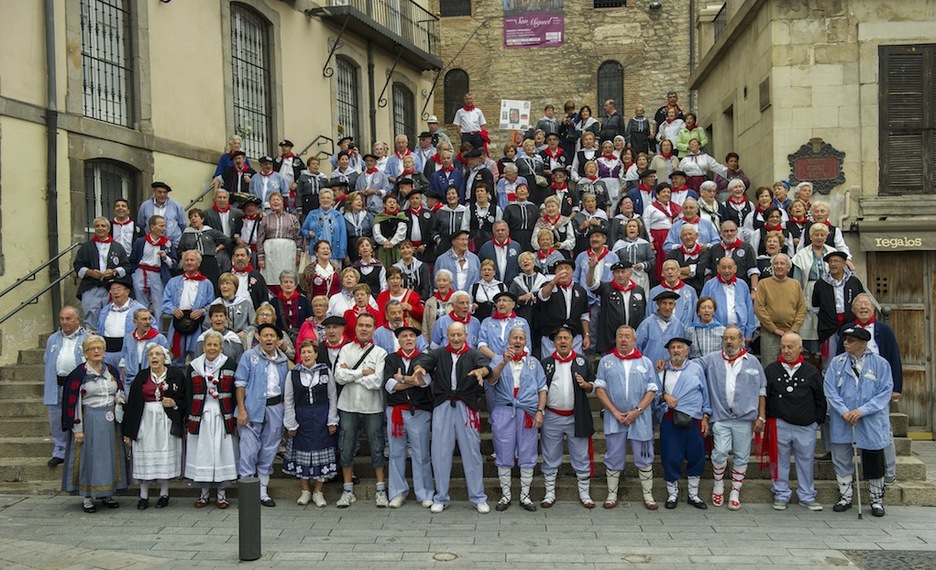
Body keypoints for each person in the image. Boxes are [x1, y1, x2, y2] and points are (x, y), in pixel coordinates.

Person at [412, 322, 492, 513]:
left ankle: (478, 496)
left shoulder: (472, 354)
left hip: (467, 407)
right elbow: (423, 360)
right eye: (452, 335)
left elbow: (485, 367)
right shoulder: (439, 353)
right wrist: (419, 368)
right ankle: (441, 496)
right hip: (443, 405)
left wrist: (481, 372)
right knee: (440, 452)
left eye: (459, 335)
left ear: (465, 335)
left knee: (472, 452)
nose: (456, 339)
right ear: (447, 336)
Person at [824, 326, 893, 517]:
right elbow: (830, 390)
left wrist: (862, 411)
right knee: (841, 457)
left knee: (873, 457)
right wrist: (844, 411)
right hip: (843, 419)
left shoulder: (880, 364)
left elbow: (885, 392)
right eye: (845, 339)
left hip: (869, 420)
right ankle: (845, 496)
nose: (845, 343)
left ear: (862, 343)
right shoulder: (837, 363)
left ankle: (876, 499)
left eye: (850, 340)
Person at [700, 325, 767, 510]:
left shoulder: (752, 361)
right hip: (720, 415)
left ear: (741, 340)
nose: (729, 341)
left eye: (733, 338)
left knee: (742, 455)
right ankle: (718, 485)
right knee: (720, 451)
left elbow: (762, 389)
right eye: (726, 338)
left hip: (745, 417)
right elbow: (692, 365)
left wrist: (761, 417)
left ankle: (736, 490)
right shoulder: (712, 359)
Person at [60, 335, 128, 512]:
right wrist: (78, 429)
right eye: (92, 349)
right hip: (89, 419)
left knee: (109, 457)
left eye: (100, 348)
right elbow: (73, 403)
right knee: (90, 457)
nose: (97, 351)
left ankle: (107, 494)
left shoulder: (111, 370)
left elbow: (119, 389)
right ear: (85, 353)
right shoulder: (79, 375)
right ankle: (88, 497)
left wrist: (119, 398)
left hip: (110, 421)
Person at [594, 325, 659, 510]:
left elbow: (652, 390)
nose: (623, 339)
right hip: (615, 418)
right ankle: (611, 494)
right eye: (620, 336)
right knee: (613, 455)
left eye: (627, 336)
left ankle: (648, 496)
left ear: (634, 340)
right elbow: (600, 389)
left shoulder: (645, 362)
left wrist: (637, 410)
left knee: (644, 456)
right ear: (615, 339)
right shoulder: (606, 361)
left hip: (640, 418)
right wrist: (614, 411)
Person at [840, 294, 903, 484]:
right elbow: (839, 358)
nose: (863, 307)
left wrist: (896, 388)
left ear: (873, 308)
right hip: (853, 384)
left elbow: (894, 358)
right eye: (859, 305)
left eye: (867, 304)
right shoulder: (846, 330)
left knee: (883, 431)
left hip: (878, 385)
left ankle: (889, 472)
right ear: (853, 310)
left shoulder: (884, 330)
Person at [485, 327, 547, 512]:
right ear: (508, 340)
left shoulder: (534, 363)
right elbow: (491, 381)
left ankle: (525, 496)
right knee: (503, 451)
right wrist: (503, 362)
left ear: (525, 342)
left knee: (527, 451)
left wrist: (540, 411)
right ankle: (505, 495)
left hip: (527, 412)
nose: (518, 341)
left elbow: (542, 388)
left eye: (521, 338)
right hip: (504, 411)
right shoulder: (497, 360)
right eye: (515, 338)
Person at [764, 332, 826, 511]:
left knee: (806, 461)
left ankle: (807, 495)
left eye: (790, 347)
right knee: (779, 461)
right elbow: (765, 396)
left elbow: (820, 399)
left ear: (800, 347)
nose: (786, 350)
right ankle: (781, 494)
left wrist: (816, 422)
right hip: (780, 424)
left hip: (806, 426)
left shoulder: (812, 371)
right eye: (783, 346)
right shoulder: (771, 370)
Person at [539, 325, 596, 508]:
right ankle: (549, 493)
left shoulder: (583, 362)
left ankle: (584, 493)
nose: (563, 341)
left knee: (580, 454)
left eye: (566, 338)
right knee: (550, 454)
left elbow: (593, 385)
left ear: (573, 342)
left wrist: (586, 385)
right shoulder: (545, 363)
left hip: (576, 416)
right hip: (552, 416)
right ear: (554, 343)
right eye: (559, 338)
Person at [122, 344, 185, 510]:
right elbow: (133, 404)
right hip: (145, 419)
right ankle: (143, 495)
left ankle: (164, 494)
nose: (154, 357)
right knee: (145, 454)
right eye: (151, 354)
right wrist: (129, 431)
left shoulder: (176, 375)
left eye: (158, 354)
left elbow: (185, 398)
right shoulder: (141, 376)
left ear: (165, 358)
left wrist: (175, 403)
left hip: (167, 419)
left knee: (165, 455)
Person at [236, 322, 290, 507]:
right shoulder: (249, 356)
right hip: (252, 409)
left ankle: (263, 492)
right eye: (265, 335)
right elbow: (240, 384)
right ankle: (246, 491)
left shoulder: (283, 361)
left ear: (277, 339)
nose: (268, 339)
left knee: (269, 449)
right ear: (258, 337)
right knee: (249, 450)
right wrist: (242, 409)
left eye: (272, 336)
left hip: (275, 408)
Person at [184, 330, 239, 508]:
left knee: (221, 452)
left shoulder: (230, 364)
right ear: (203, 346)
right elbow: (189, 394)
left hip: (222, 414)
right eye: (209, 344)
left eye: (216, 345)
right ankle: (204, 494)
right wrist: (188, 419)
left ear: (221, 347)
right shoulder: (194, 366)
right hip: (200, 415)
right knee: (203, 453)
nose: (212, 348)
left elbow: (233, 392)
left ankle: (222, 495)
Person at [383, 325, 434, 509]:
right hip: (396, 411)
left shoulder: (424, 358)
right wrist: (410, 380)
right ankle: (397, 492)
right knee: (396, 452)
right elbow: (389, 385)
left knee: (421, 453)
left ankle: (425, 493)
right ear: (399, 339)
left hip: (419, 411)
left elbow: (423, 382)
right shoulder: (391, 359)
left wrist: (402, 379)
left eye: (412, 335)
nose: (408, 339)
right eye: (404, 336)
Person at [655, 337, 710, 509]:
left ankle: (693, 494)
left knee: (697, 455)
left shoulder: (696, 369)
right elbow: (654, 393)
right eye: (673, 348)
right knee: (670, 455)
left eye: (680, 347)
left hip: (694, 419)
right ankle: (672, 494)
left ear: (687, 351)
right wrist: (665, 396)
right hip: (671, 419)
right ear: (668, 351)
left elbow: (705, 393)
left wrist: (706, 416)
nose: (676, 350)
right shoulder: (661, 370)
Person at [282, 340, 338, 507]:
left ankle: (318, 492)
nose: (306, 355)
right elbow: (288, 399)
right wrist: (290, 423)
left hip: (321, 417)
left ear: (315, 354)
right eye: (304, 352)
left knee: (321, 453)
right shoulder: (293, 373)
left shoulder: (324, 371)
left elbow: (332, 396)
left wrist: (332, 419)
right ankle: (305, 491)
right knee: (302, 454)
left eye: (309, 352)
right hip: (302, 418)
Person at [43, 306, 90, 468]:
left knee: (80, 416)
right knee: (56, 419)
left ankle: (81, 450)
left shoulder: (87, 338)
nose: (65, 322)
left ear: (78, 319)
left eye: (69, 318)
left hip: (78, 385)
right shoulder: (53, 339)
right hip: (57, 384)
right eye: (62, 318)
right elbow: (47, 359)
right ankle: (60, 451)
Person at [74, 217, 131, 330]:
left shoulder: (118, 247)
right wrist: (89, 272)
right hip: (91, 287)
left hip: (111, 287)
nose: (100, 228)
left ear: (108, 229)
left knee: (110, 317)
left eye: (103, 226)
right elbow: (77, 265)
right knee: (91, 317)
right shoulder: (86, 247)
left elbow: (126, 266)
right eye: (97, 226)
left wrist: (114, 272)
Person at [162, 250, 215, 366]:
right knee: (176, 361)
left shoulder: (207, 283)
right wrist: (173, 310)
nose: (189, 262)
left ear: (199, 263)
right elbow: (165, 302)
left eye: (192, 260)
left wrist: (202, 311)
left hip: (197, 325)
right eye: (186, 260)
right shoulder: (173, 282)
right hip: (178, 324)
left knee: (198, 360)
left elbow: (212, 305)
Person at [813, 250, 864, 368]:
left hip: (849, 325)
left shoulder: (853, 282)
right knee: (830, 362)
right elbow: (815, 306)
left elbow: (860, 300)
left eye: (836, 261)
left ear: (844, 264)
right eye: (830, 261)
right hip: (828, 327)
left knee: (851, 358)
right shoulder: (821, 283)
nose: (833, 264)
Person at [755, 253, 807, 366]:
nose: (778, 266)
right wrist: (774, 329)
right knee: (769, 366)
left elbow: (802, 308)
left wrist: (793, 329)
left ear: (788, 267)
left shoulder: (795, 284)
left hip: (791, 333)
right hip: (770, 333)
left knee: (792, 364)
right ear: (772, 266)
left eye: (782, 263)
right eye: (776, 263)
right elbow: (759, 308)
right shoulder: (763, 284)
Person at [586, 260, 647, 354]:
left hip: (633, 342)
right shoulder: (606, 288)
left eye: (623, 272)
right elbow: (591, 284)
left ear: (630, 273)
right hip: (610, 343)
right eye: (617, 272)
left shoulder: (639, 290)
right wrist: (591, 268)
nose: (620, 275)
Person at [537, 259, 591, 357]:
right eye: (560, 269)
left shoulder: (581, 290)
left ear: (572, 271)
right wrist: (553, 281)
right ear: (556, 272)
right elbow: (542, 296)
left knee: (575, 365)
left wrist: (586, 335)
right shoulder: (548, 286)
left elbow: (584, 315)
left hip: (574, 335)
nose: (564, 271)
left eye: (567, 268)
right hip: (551, 334)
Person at [129, 215, 176, 326]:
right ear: (152, 227)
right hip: (141, 273)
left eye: (164, 226)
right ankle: (140, 328)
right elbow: (133, 259)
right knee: (141, 304)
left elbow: (174, 264)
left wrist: (165, 257)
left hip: (158, 274)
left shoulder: (166, 243)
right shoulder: (141, 242)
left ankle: (157, 331)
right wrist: (133, 274)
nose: (164, 228)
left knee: (158, 305)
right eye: (161, 225)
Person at [700, 257, 756, 343]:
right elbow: (701, 308)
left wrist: (749, 333)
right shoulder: (709, 285)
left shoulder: (742, 285)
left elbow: (749, 309)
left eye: (730, 267)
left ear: (735, 269)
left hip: (739, 331)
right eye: (723, 267)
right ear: (718, 269)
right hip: (715, 332)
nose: (727, 271)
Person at [97, 276, 145, 369]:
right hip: (107, 354)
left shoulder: (139, 309)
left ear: (127, 292)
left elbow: (151, 329)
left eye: (118, 289)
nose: (115, 292)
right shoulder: (105, 310)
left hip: (128, 354)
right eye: (112, 289)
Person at [256, 192, 302, 291]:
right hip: (271, 253)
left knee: (288, 274)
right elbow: (260, 238)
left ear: (282, 202)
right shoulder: (265, 219)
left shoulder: (292, 218)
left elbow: (298, 237)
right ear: (270, 203)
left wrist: (298, 254)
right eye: (273, 200)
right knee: (271, 276)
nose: (276, 202)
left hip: (288, 252)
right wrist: (261, 257)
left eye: (278, 199)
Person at [178, 208, 230, 292]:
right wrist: (188, 253)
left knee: (212, 283)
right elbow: (180, 249)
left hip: (209, 261)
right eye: (191, 217)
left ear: (202, 219)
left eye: (196, 216)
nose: (193, 219)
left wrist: (217, 248)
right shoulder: (186, 233)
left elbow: (227, 240)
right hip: (194, 263)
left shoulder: (210, 231)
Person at [636, 291, 688, 367]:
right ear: (658, 304)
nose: (667, 307)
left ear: (675, 305)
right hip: (650, 370)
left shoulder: (679, 325)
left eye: (670, 303)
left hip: (671, 371)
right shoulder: (647, 324)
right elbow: (637, 347)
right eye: (664, 303)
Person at [120, 308, 170, 387]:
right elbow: (123, 361)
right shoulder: (128, 338)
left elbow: (167, 361)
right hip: (131, 381)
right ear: (135, 322)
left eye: (149, 319)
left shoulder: (159, 338)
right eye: (144, 319)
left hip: (151, 381)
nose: (148, 322)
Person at [708, 220, 760, 291]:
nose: (729, 233)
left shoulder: (747, 248)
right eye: (726, 231)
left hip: (741, 289)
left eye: (732, 230)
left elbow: (753, 270)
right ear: (720, 233)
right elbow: (708, 272)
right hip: (718, 290)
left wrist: (754, 290)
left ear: (737, 231)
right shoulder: (714, 249)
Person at [647, 259, 698, 328]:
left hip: (685, 333)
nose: (670, 272)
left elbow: (696, 315)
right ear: (662, 273)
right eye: (667, 269)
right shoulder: (654, 292)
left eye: (673, 269)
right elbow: (649, 314)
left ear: (679, 272)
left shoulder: (690, 291)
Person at [301, 189, 347, 263]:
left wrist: (342, 253)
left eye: (328, 198)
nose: (325, 200)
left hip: (334, 253)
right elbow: (303, 230)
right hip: (316, 253)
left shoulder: (338, 215)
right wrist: (308, 233)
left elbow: (343, 235)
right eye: (323, 198)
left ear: (332, 201)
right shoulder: (312, 214)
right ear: (319, 200)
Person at [666, 224, 712, 295]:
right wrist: (693, 272)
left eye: (690, 234)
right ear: (681, 238)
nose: (688, 237)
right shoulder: (673, 253)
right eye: (685, 235)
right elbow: (669, 271)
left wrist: (677, 272)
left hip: (698, 292)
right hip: (677, 292)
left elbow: (700, 270)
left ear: (696, 236)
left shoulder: (704, 253)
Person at [138, 181, 186, 247]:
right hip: (151, 244)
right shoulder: (145, 206)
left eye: (165, 192)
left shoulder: (176, 206)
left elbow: (182, 225)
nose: (162, 195)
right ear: (154, 192)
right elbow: (141, 224)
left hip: (172, 244)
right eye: (159, 192)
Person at [434, 230, 481, 294]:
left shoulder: (474, 258)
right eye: (462, 240)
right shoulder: (442, 260)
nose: (465, 242)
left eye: (466, 240)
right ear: (453, 242)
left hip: (470, 299)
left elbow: (479, 280)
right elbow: (436, 283)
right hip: (449, 299)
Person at [230, 244, 270, 310]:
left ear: (248, 258)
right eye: (237, 255)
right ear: (233, 258)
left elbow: (264, 300)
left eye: (242, 255)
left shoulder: (258, 277)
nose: (240, 258)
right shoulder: (227, 276)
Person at [502, 183, 540, 254]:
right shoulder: (509, 208)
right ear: (515, 194)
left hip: (530, 236)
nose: (522, 190)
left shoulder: (533, 208)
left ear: (528, 194)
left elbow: (538, 223)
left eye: (524, 189)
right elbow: (505, 224)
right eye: (520, 189)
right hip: (514, 236)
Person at [343, 191, 374, 264]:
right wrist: (345, 254)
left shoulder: (368, 216)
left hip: (366, 245)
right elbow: (343, 237)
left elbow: (373, 233)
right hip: (351, 247)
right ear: (350, 202)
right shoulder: (344, 217)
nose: (359, 202)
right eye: (356, 200)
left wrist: (373, 248)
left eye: (360, 200)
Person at [233, 195, 264, 265]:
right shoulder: (240, 219)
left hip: (257, 248)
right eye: (248, 206)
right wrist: (238, 240)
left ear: (256, 207)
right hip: (244, 248)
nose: (250, 208)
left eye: (252, 206)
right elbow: (236, 234)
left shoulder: (262, 219)